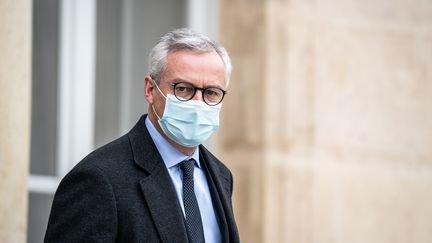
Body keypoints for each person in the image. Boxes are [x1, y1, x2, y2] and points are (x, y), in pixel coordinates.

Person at [44, 28, 240, 243]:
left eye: (211, 92)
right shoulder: (99, 178)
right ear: (150, 89)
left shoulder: (221, 176)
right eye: (183, 89)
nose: (198, 103)